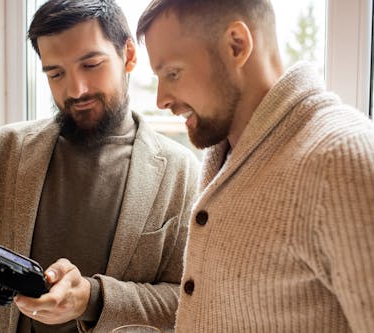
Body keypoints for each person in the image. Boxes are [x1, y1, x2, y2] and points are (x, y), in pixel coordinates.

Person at [0, 1, 200, 332]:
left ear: (128, 54)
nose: (75, 90)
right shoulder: (6, 148)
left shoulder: (181, 171)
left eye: (91, 64)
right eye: (55, 73)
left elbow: (188, 302)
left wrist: (93, 299)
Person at [137, 0, 374, 332]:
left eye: (172, 73)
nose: (160, 99)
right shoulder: (226, 153)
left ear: (237, 44)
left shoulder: (342, 159)